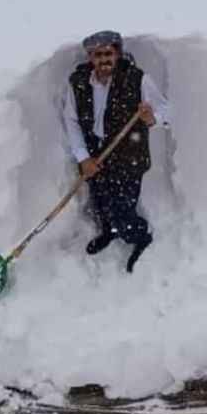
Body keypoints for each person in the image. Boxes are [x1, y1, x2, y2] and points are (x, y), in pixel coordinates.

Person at [63, 30, 170, 273]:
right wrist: (83, 157)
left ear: (118, 53)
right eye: (98, 54)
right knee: (100, 202)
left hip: (128, 156)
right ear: (90, 57)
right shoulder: (78, 83)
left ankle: (138, 236)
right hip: (96, 156)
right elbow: (71, 120)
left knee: (122, 208)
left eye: (108, 53)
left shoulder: (136, 79)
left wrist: (152, 117)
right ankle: (109, 232)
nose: (104, 59)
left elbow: (167, 110)